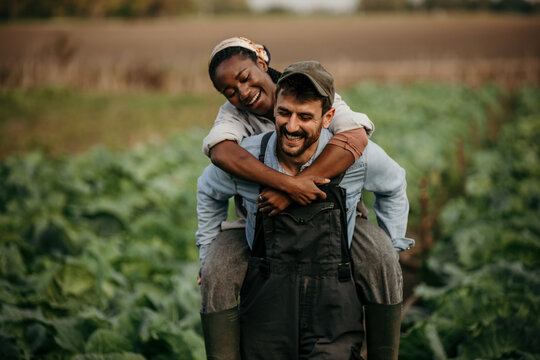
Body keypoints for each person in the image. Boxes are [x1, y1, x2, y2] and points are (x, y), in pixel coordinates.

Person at [198, 37, 415, 360]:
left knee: (383, 260)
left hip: (342, 213)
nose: (241, 92)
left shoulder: (316, 95)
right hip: (256, 217)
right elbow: (220, 157)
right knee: (216, 271)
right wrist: (288, 186)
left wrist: (294, 188)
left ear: (261, 62)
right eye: (229, 90)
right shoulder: (232, 118)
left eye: (244, 78)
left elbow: (356, 138)